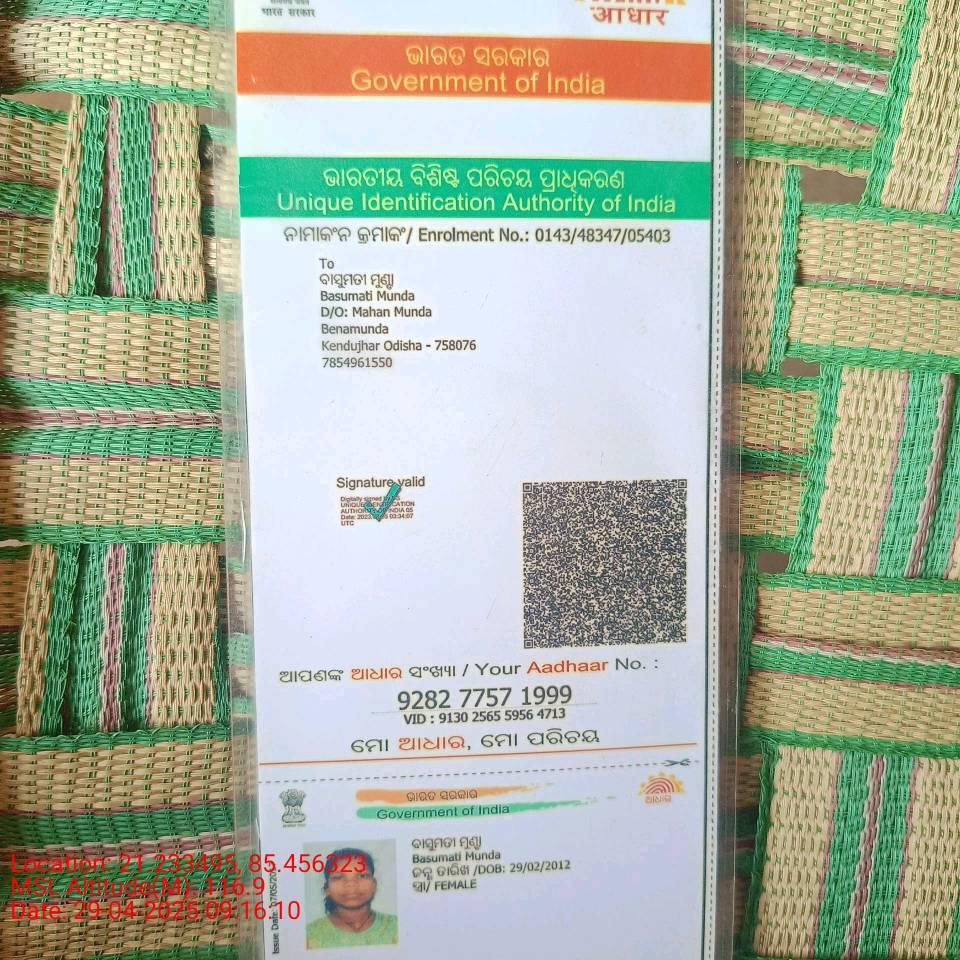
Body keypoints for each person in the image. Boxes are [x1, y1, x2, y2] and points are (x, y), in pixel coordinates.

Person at [306, 848, 399, 949]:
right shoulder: (309, 935)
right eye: (338, 877)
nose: (351, 884)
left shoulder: (397, 927)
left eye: (362, 876)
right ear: (327, 888)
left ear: (374, 885)